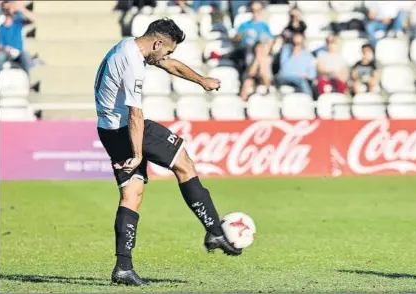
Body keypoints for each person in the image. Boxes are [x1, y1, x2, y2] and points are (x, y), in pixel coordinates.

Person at [94, 18, 242, 287]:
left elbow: (167, 64)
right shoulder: (133, 64)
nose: (168, 56)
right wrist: (138, 154)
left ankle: (123, 268)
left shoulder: (129, 47)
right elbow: (136, 114)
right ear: (158, 42)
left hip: (108, 130)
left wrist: (201, 80)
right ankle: (215, 231)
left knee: (132, 193)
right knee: (184, 163)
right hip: (128, 128)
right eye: (168, 50)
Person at [232, 0, 274, 100]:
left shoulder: (264, 26)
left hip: (258, 60)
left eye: (258, 10)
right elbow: (235, 40)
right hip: (248, 56)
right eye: (253, 10)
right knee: (261, 57)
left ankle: (256, 73)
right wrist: (245, 33)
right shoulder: (244, 25)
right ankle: (267, 87)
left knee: (261, 53)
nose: (256, 13)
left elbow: (270, 42)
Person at [0, 0, 35, 73]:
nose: (8, 10)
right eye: (6, 9)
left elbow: (32, 18)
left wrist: (20, 8)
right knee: (0, 57)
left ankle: (28, 78)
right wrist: (6, 49)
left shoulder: (18, 21)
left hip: (19, 51)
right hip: (7, 52)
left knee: (26, 56)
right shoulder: (1, 28)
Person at [275, 32, 316, 97]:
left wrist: (306, 75)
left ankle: (309, 101)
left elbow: (312, 75)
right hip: (285, 78)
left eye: (298, 43)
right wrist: (293, 55)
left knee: (304, 84)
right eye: (294, 43)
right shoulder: (286, 50)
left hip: (301, 79)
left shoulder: (308, 55)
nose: (296, 45)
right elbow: (284, 69)